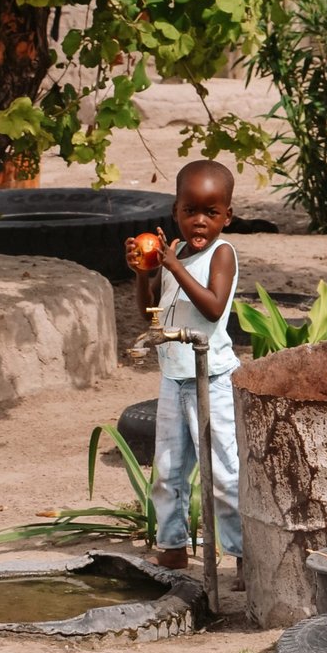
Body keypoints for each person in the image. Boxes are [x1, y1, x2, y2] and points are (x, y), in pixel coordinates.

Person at [128, 160, 244, 583]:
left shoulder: (222, 254)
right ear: (175, 211)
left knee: (224, 474)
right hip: (174, 377)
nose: (199, 221)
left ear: (226, 216)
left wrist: (173, 266)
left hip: (211, 379)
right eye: (189, 210)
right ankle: (173, 547)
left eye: (210, 213)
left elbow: (213, 309)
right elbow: (149, 313)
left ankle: (244, 556)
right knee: (168, 470)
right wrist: (145, 272)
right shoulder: (173, 251)